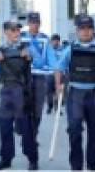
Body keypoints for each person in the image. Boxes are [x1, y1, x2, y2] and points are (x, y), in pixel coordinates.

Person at [54, 14, 95, 172]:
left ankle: (92, 166)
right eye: (82, 28)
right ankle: (76, 167)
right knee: (74, 130)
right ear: (77, 31)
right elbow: (59, 67)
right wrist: (58, 86)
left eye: (89, 28)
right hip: (76, 94)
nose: (85, 32)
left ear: (93, 30)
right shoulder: (70, 49)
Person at [0, 20, 38, 171]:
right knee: (4, 126)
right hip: (6, 91)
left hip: (21, 92)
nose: (17, 33)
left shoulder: (27, 48)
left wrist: (30, 57)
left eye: (18, 30)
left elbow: (40, 61)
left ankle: (32, 159)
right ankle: (6, 159)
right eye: (13, 30)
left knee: (26, 128)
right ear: (6, 32)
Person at [21, 11, 59, 156]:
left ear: (40, 23)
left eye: (36, 22)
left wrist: (57, 83)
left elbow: (54, 62)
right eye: (31, 22)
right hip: (23, 78)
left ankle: (32, 136)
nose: (34, 25)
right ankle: (25, 134)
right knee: (22, 112)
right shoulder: (21, 37)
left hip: (40, 78)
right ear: (28, 23)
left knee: (37, 112)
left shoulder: (45, 39)